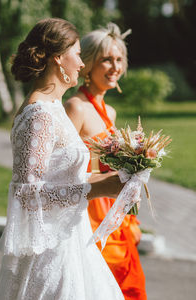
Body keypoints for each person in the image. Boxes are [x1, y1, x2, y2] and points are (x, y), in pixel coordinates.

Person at [0, 18, 125, 300]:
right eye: (78, 54)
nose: (81, 64)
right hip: (50, 254)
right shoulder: (39, 115)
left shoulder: (53, 108)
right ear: (58, 57)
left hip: (73, 243)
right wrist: (97, 189)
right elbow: (28, 195)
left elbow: (67, 179)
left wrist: (120, 181)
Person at [64, 23, 147, 300]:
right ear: (86, 64)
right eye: (106, 60)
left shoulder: (109, 110)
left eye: (119, 59)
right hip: (88, 209)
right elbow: (61, 169)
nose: (115, 67)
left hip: (114, 207)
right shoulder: (75, 107)